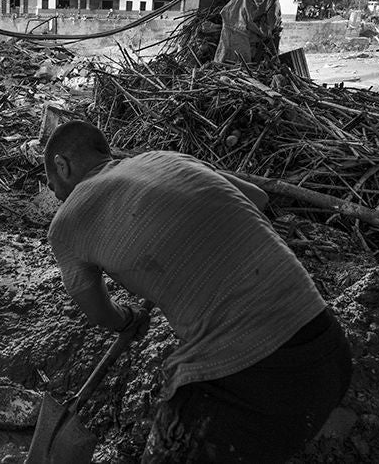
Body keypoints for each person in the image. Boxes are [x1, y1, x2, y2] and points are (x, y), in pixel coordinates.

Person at [43, 121, 353, 463]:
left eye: (54, 185)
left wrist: (127, 319)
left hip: (252, 379)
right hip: (329, 350)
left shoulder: (67, 221)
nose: (58, 196)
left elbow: (99, 311)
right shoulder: (167, 159)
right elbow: (257, 198)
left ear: (62, 165)